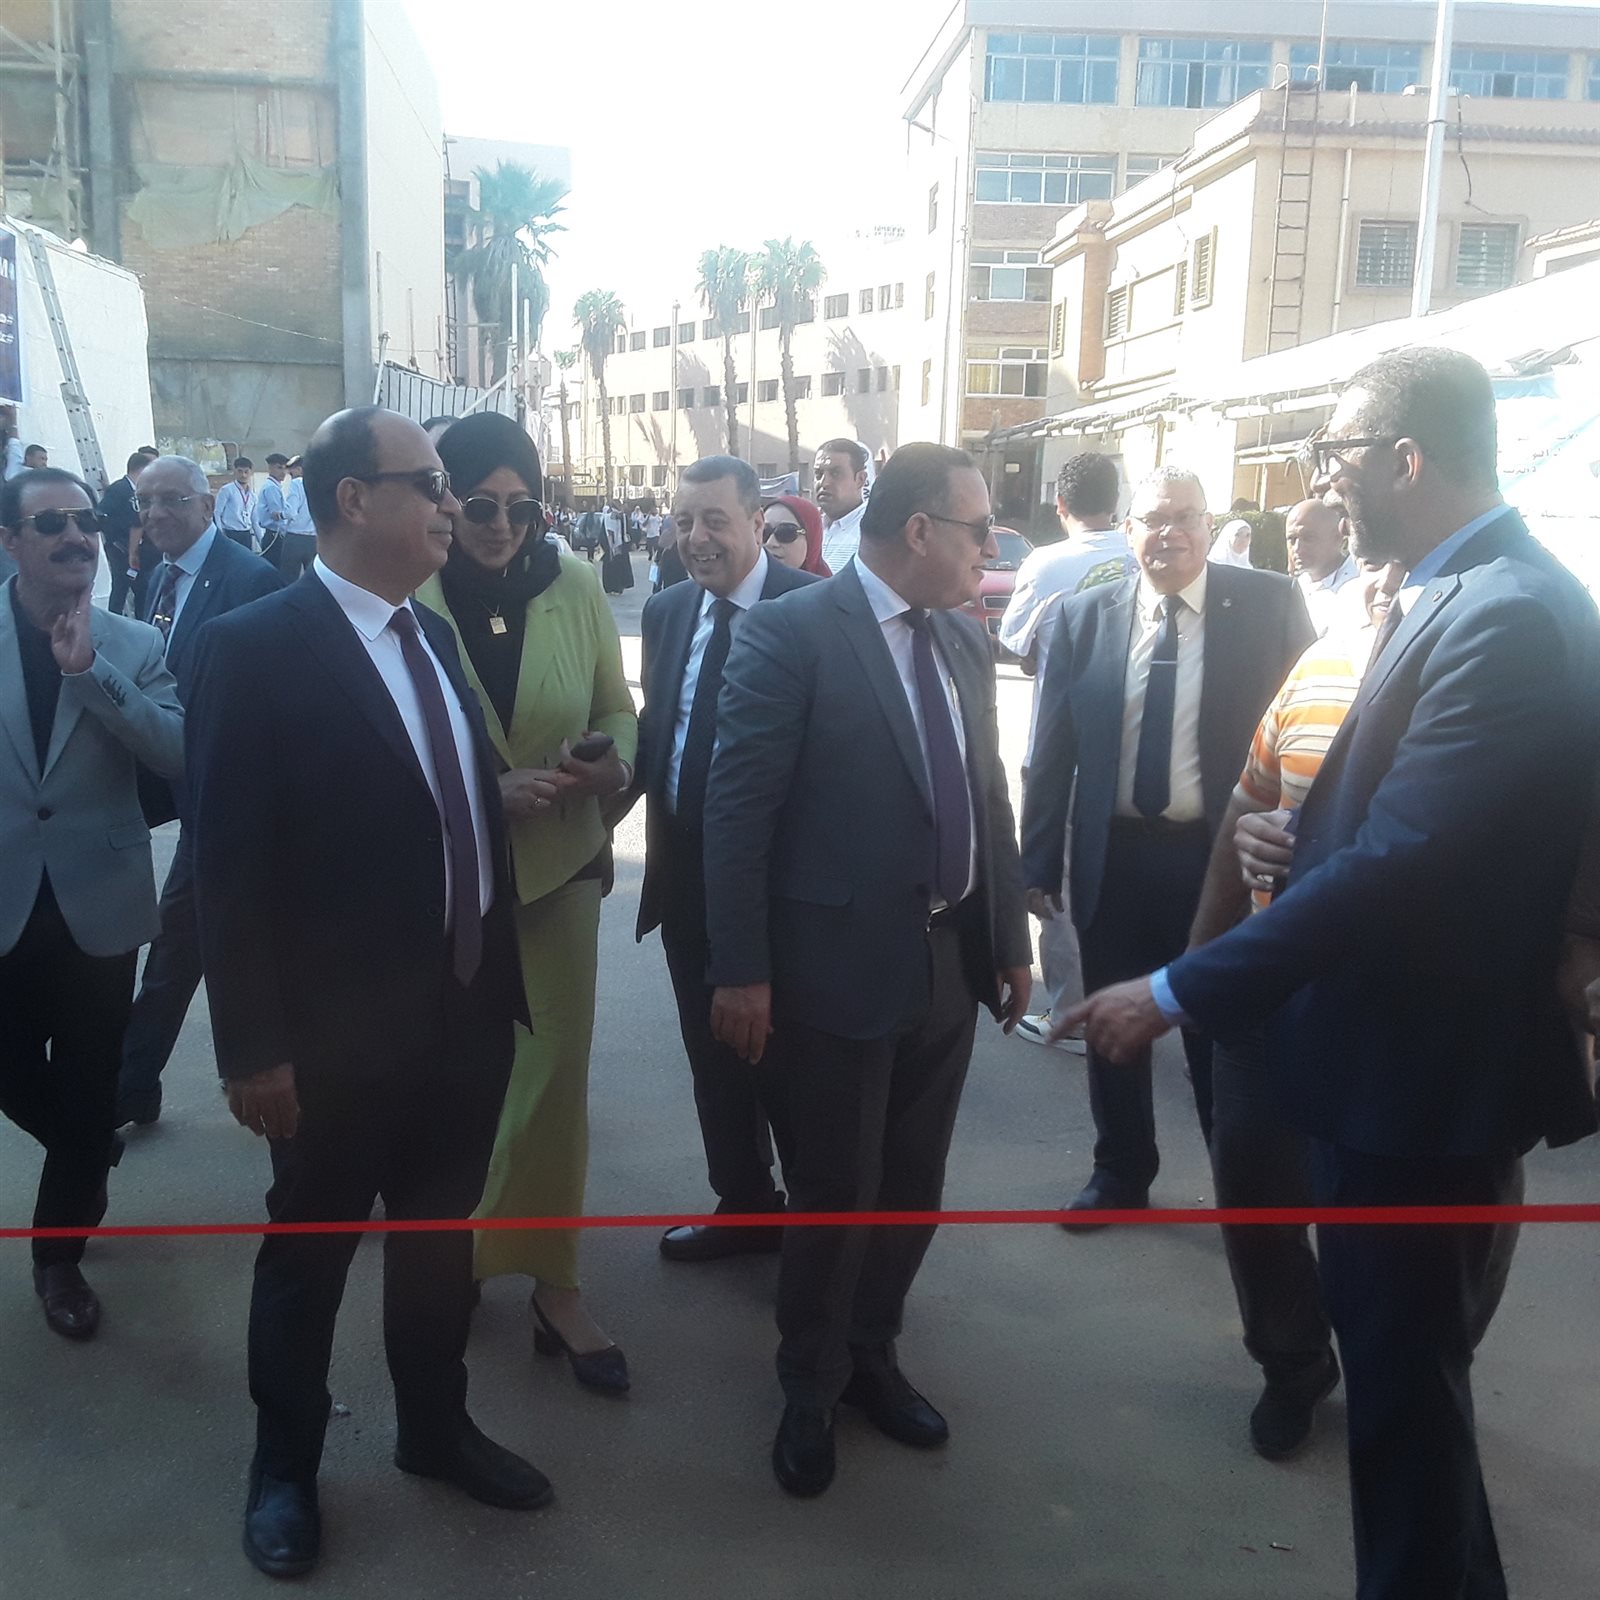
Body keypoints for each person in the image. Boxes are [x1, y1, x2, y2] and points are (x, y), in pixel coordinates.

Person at [1065, 348, 1600, 1600]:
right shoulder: (1459, 592)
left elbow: (1403, 863)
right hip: (1391, 1074)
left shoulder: (1504, 614)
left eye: (1335, 459)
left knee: (1405, 1410)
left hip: (1415, 1093)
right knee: (1414, 1410)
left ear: (1403, 460)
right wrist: (1291, 837)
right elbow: (1400, 828)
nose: (1323, 487)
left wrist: (1177, 988)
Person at [186, 407, 549, 1579]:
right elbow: (226, 869)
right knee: (309, 1259)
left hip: (465, 1014)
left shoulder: (426, 633)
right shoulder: (253, 647)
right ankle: (284, 1466)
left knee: (438, 1244)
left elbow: (444, 800)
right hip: (335, 1042)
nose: (452, 503)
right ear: (353, 499)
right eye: (431, 482)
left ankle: (434, 1429)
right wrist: (253, 1048)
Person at [704, 442, 1032, 1497]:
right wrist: (741, 970)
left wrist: (1008, 938)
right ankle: (809, 1383)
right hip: (831, 969)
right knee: (836, 1190)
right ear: (921, 530)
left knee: (911, 1185)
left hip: (948, 960)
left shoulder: (964, 639)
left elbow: (987, 794)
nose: (989, 552)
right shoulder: (791, 632)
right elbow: (737, 813)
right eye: (978, 530)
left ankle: (871, 1352)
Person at [1019, 465, 1313, 1226]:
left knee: (1224, 1029)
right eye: (1153, 519)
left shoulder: (1270, 604)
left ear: (1209, 527)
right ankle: (1119, 1172)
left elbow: (1313, 730)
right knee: (1113, 1028)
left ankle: (1241, 1185)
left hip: (1220, 861)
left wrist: (1306, 841)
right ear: (1129, 531)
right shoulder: (1082, 617)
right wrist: (1037, 859)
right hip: (1113, 859)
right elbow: (1050, 748)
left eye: (1185, 516)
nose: (1169, 532)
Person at [417, 410, 637, 1396]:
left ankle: (553, 1280)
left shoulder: (575, 584)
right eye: (479, 505)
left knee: (552, 1081)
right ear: (445, 501)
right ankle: (455, 1255)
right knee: (454, 1084)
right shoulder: (406, 594)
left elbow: (615, 705)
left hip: (557, 870)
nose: (502, 525)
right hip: (441, 885)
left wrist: (608, 761)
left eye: (522, 506)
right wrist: (479, 794)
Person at [1180, 554, 1401, 1461]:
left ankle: (1411, 1368)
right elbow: (1250, 798)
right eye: (1375, 565)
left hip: (1404, 1006)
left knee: (1406, 1213)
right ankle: (1293, 1361)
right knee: (1254, 1192)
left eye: (1409, 567)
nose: (1387, 581)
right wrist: (1202, 960)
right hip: (1274, 989)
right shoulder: (1322, 663)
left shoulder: (1491, 676)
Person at [0, 466, 184, 1341]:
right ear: (10, 542)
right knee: (27, 1082)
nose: (78, 535)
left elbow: (179, 752)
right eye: (52, 524)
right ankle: (87, 1142)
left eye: (86, 520)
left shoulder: (133, 643)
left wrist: (93, 675)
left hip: (97, 906)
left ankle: (58, 1257)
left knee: (86, 1078)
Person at [634, 457, 819, 1265]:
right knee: (712, 1057)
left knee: (790, 1064)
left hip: (785, 887)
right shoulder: (668, 610)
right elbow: (663, 730)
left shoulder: (813, 611)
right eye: (683, 522)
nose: (697, 538)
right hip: (688, 876)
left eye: (714, 520)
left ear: (756, 521)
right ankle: (743, 1203)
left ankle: (817, 1228)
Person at [114, 456, 283, 1129]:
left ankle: (132, 1084)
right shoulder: (160, 574)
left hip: (232, 796)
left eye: (172, 501)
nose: (155, 514)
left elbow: (265, 693)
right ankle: (135, 1084)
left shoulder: (250, 578)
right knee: (181, 942)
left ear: (208, 506)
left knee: (182, 941)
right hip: (187, 786)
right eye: (144, 502)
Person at [997, 452, 1134, 1054]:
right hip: (1141, 747)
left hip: (1063, 746)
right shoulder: (1142, 553)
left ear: (1060, 505)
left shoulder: (1047, 562)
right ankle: (1136, 1000)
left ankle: (1073, 1013)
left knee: (1060, 885)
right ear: (1118, 501)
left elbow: (1015, 641)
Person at [1284, 497, 1358, 636]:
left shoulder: (1360, 587)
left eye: (1308, 538)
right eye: (1292, 539)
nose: (1297, 548)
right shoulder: (1291, 589)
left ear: (1338, 537)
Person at [100, 448, 159, 618]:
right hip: (120, 548)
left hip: (139, 549)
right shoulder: (119, 489)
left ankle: (142, 621)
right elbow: (102, 514)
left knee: (142, 589)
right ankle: (114, 622)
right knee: (121, 588)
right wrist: (114, 539)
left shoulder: (141, 491)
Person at [813, 438, 871, 571]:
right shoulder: (804, 528)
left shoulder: (872, 533)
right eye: (818, 474)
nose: (824, 482)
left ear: (860, 479)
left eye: (835, 473)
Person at [761, 494, 831, 576]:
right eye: (764, 532)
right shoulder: (750, 581)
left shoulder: (827, 584)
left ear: (812, 540)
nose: (770, 543)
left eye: (786, 532)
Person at [277, 455, 318, 581]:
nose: (290, 476)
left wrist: (280, 515)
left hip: (295, 537)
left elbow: (291, 512)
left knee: (288, 579)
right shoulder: (318, 484)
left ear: (300, 470)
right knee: (313, 579)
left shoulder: (297, 483)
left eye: (291, 472)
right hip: (313, 538)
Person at [213, 456, 257, 549]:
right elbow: (217, 513)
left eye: (246, 472)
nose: (243, 475)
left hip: (246, 534)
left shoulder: (253, 495)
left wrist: (261, 541)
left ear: (251, 472)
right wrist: (220, 534)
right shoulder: (227, 490)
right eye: (240, 471)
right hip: (230, 533)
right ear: (235, 471)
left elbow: (254, 520)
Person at [257, 453, 292, 565]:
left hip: (274, 534)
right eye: (279, 468)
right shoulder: (271, 488)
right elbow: (277, 515)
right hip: (275, 536)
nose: (283, 472)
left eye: (285, 468)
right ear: (270, 468)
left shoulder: (274, 486)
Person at [599, 500, 633, 595]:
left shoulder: (608, 517)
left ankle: (611, 587)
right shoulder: (622, 517)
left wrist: (610, 548)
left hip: (611, 546)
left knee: (611, 567)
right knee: (619, 566)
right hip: (620, 545)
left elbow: (609, 533)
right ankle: (619, 586)